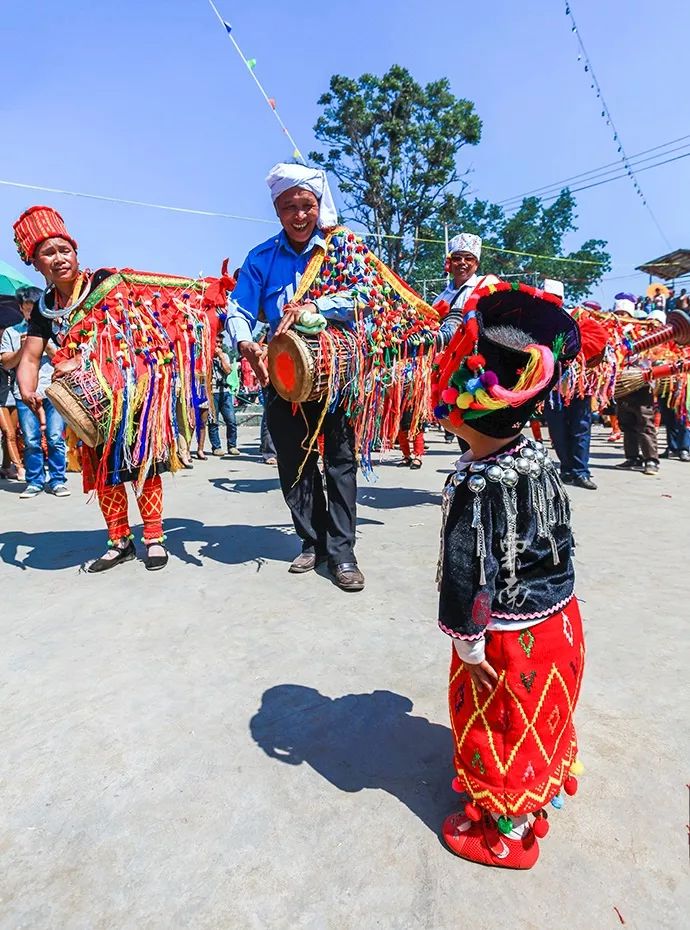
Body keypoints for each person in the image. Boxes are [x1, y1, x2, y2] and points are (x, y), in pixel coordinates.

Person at [432, 280, 584, 870]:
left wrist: (466, 640)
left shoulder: (475, 484)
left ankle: (506, 836)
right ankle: (535, 796)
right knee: (537, 723)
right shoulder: (540, 459)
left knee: (498, 727)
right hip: (560, 626)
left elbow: (466, 578)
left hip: (507, 639)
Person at [13, 205, 224, 571]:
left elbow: (136, 316)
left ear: (76, 252)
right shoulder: (46, 310)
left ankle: (155, 538)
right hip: (90, 405)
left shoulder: (105, 283)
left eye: (65, 250)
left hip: (130, 397)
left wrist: (205, 292)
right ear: (35, 262)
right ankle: (119, 541)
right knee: (104, 473)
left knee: (142, 466)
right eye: (49, 253)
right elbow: (30, 356)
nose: (59, 258)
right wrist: (28, 390)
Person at [225, 163, 366, 591]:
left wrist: (316, 309)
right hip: (282, 374)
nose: (299, 215)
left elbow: (363, 294)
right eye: (289, 208)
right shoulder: (261, 258)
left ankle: (343, 553)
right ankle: (312, 542)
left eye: (306, 206)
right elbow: (239, 307)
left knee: (340, 462)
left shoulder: (341, 249)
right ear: (277, 210)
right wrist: (246, 341)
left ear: (318, 206)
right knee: (294, 461)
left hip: (335, 374)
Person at [0, 285, 69, 498]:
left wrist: (49, 349)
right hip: (24, 393)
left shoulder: (56, 329)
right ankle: (34, 481)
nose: (33, 313)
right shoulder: (12, 333)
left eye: (37, 308)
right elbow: (5, 362)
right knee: (30, 439)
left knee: (56, 436)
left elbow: (68, 359)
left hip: (53, 391)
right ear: (21, 308)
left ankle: (57, 480)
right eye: (29, 308)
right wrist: (23, 349)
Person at [545, 305, 609, 490]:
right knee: (557, 431)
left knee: (581, 429)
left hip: (581, 387)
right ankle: (566, 468)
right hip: (553, 390)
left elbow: (599, 350)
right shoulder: (541, 321)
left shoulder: (584, 319)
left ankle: (581, 471)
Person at [0, 294, 25, 481]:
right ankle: (19, 468)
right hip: (0, 397)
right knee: (8, 432)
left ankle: (6, 466)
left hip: (12, 393)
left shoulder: (12, 341)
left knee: (13, 432)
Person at [616, 381, 660, 475]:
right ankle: (632, 457)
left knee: (645, 423)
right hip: (623, 387)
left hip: (643, 386)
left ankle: (651, 460)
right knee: (627, 424)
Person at [208, 332, 240, 457]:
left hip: (225, 391)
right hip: (212, 392)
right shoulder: (207, 356)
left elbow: (227, 371)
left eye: (221, 342)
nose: (219, 345)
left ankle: (232, 446)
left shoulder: (224, 356)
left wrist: (221, 357)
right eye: (216, 342)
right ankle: (216, 447)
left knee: (231, 420)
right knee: (213, 421)